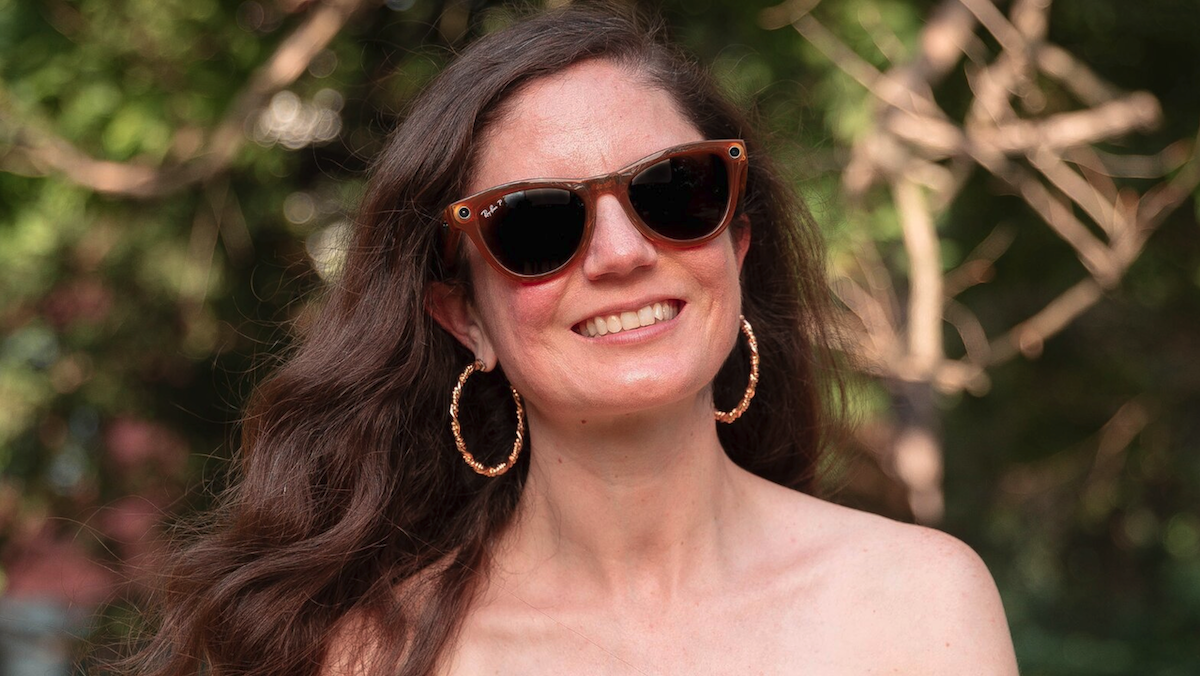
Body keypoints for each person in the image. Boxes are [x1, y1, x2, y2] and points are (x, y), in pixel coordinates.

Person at [122, 4, 1020, 676]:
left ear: (737, 247)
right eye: (537, 225)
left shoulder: (920, 603)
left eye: (675, 194)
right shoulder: (368, 656)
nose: (623, 254)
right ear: (464, 316)